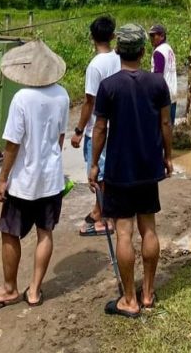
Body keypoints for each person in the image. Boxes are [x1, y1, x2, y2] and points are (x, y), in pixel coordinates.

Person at [0, 40, 70, 316]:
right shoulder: (62, 96)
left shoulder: (22, 98)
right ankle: (34, 290)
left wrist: (2, 179)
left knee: (10, 232)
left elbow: (12, 145)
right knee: (45, 232)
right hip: (51, 178)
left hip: (24, 181)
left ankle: (9, 288)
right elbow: (59, 139)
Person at [89, 24, 173, 318]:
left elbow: (100, 128)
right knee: (148, 227)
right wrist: (168, 156)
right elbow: (165, 124)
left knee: (123, 232)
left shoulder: (109, 86)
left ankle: (129, 299)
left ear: (119, 50)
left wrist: (94, 164)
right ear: (142, 50)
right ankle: (147, 293)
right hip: (149, 166)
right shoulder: (157, 84)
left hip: (119, 170)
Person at [70, 16, 120, 237]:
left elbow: (89, 102)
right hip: (117, 125)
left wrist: (79, 131)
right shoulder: (119, 58)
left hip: (98, 127)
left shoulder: (95, 66)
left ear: (92, 37)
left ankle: (104, 218)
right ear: (112, 36)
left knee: (98, 173)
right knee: (109, 171)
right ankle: (100, 210)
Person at [149, 24, 178, 125]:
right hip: (172, 93)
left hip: (163, 96)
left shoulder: (159, 52)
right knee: (170, 126)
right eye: (150, 36)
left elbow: (158, 77)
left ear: (162, 36)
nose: (151, 38)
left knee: (162, 128)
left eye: (154, 35)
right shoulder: (168, 49)